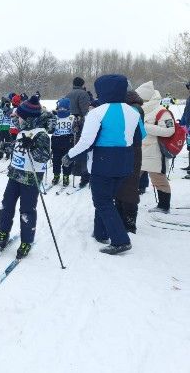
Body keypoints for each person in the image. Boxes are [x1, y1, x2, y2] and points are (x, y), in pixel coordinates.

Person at [63, 74, 143, 255]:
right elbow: (139, 138)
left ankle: (120, 240)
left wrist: (69, 155)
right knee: (107, 198)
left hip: (103, 162)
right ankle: (100, 232)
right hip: (125, 161)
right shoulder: (133, 112)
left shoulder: (97, 112)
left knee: (102, 201)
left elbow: (86, 142)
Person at [0, 95, 50, 259]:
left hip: (30, 180)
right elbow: (14, 148)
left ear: (28, 118)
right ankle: (3, 233)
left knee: (27, 211)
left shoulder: (41, 134)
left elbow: (43, 157)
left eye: (20, 117)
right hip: (14, 176)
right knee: (6, 206)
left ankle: (26, 241)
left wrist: (32, 147)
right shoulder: (23, 132)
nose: (17, 120)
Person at [135, 81, 175, 213]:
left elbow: (170, 130)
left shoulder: (161, 111)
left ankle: (164, 206)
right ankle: (126, 202)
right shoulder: (140, 110)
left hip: (155, 152)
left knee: (159, 180)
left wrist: (144, 127)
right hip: (140, 151)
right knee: (131, 179)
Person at [115, 90, 145, 233]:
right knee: (126, 186)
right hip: (132, 149)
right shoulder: (137, 107)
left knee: (128, 186)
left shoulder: (133, 109)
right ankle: (125, 219)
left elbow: (141, 132)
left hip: (131, 149)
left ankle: (129, 222)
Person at [66, 77, 92, 188]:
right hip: (81, 124)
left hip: (70, 124)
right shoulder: (83, 94)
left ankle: (74, 172)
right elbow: (85, 111)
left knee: (73, 147)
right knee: (83, 148)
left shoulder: (68, 94)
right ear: (82, 84)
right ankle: (84, 176)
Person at [50, 98, 75, 186]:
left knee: (66, 159)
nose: (62, 110)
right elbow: (50, 130)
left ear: (68, 108)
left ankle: (66, 176)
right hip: (56, 141)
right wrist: (51, 123)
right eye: (60, 108)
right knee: (56, 160)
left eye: (64, 108)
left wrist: (76, 127)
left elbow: (75, 130)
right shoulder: (55, 117)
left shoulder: (72, 117)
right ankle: (56, 175)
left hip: (67, 141)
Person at [180, 81, 190, 174]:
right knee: (189, 147)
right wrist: (182, 122)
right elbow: (186, 112)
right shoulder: (188, 98)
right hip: (188, 126)